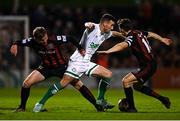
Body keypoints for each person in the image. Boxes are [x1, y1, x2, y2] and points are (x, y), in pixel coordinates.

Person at [33, 14, 125, 112]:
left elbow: (115, 33)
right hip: (77, 61)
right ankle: (40, 104)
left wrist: (126, 37)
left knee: (108, 74)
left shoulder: (106, 33)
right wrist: (87, 24)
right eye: (111, 25)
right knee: (63, 84)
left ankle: (100, 100)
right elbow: (88, 25)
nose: (112, 27)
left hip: (86, 62)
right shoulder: (93, 28)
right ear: (105, 23)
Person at [10, 26, 103, 112]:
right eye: (42, 41)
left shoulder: (55, 39)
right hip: (45, 68)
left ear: (46, 35)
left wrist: (80, 48)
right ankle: (22, 107)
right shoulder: (31, 41)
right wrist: (14, 44)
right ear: (36, 39)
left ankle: (97, 105)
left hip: (62, 68)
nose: (45, 42)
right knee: (26, 83)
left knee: (78, 85)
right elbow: (19, 42)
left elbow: (70, 38)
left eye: (45, 38)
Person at [97, 18, 172, 112]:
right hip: (149, 64)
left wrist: (108, 51)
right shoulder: (139, 32)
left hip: (148, 65)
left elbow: (122, 45)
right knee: (137, 86)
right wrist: (162, 39)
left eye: (120, 29)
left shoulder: (131, 37)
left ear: (122, 29)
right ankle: (163, 99)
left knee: (126, 81)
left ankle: (132, 108)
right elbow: (151, 34)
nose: (120, 31)